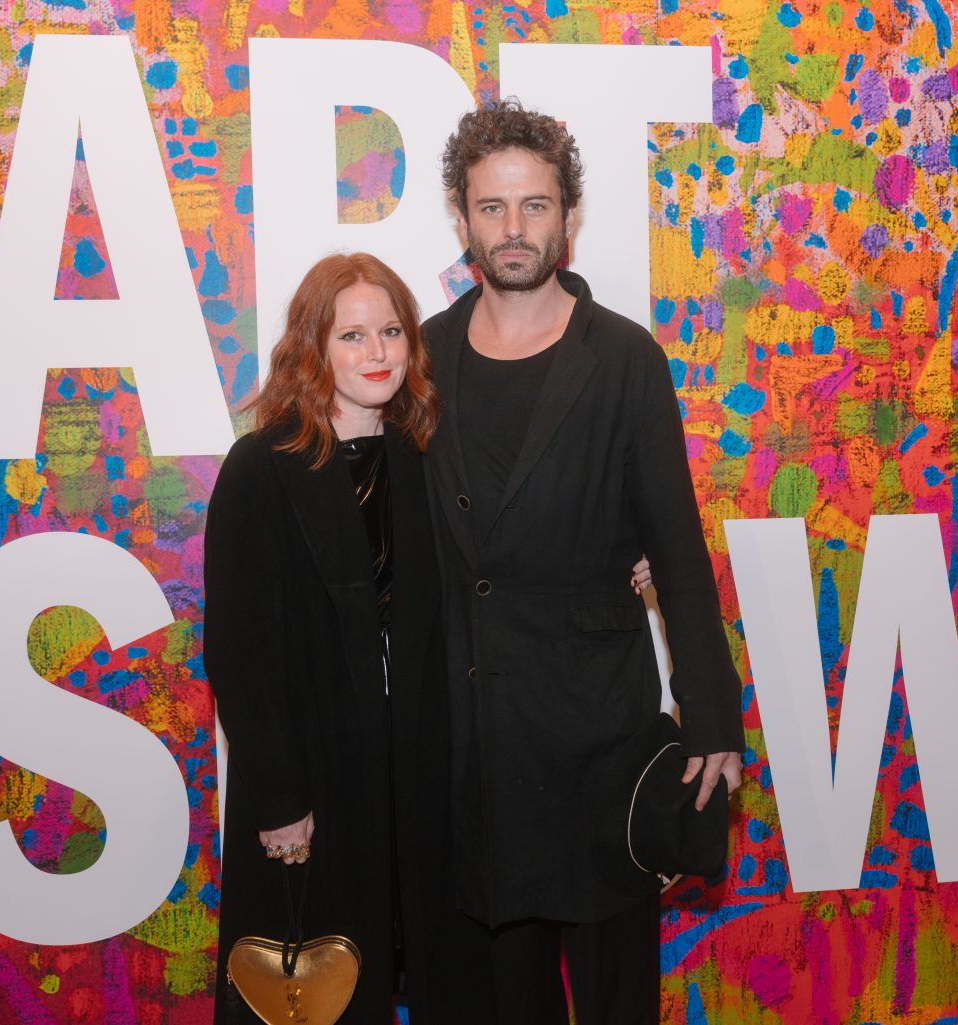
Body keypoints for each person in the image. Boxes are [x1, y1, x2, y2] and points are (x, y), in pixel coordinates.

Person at [422, 100, 746, 1025]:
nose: (513, 229)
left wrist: (713, 719)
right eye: (492, 207)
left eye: (535, 205)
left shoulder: (625, 359)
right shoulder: (426, 354)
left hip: (598, 738)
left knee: (614, 1002)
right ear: (462, 218)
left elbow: (675, 545)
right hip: (477, 749)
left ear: (568, 214)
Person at [203, 252, 456, 1025]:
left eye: (392, 331)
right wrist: (279, 798)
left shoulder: (428, 456)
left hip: (418, 779)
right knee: (319, 998)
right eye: (352, 335)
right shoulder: (262, 467)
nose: (378, 352)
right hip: (311, 787)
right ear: (313, 346)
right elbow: (240, 653)